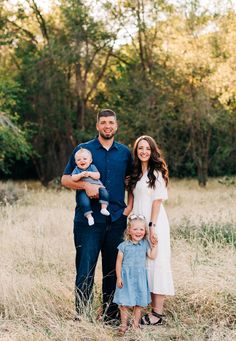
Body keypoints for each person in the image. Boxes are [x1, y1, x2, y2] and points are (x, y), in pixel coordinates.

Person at [61, 109, 133, 322]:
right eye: (103, 122)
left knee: (112, 270)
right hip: (88, 221)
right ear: (97, 125)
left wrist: (129, 208)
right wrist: (84, 185)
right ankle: (82, 316)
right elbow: (65, 179)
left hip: (117, 219)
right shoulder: (83, 149)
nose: (107, 126)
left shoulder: (125, 153)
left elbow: (132, 181)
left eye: (111, 122)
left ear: (116, 126)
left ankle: (111, 316)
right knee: (85, 268)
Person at [128, 135, 174, 325]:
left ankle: (157, 314)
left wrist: (152, 226)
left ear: (153, 150)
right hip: (138, 224)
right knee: (143, 264)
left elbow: (157, 201)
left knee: (157, 263)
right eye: (140, 148)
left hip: (154, 223)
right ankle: (144, 310)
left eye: (147, 148)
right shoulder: (136, 174)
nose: (144, 151)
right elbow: (132, 201)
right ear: (136, 151)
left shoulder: (156, 173)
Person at [113, 214, 158, 335]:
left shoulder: (145, 245)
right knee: (123, 304)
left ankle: (135, 324)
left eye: (141, 229)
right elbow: (118, 263)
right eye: (135, 229)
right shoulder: (123, 246)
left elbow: (152, 256)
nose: (139, 232)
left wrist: (155, 245)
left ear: (145, 231)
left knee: (138, 304)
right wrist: (119, 277)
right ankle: (123, 325)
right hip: (126, 279)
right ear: (129, 231)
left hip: (139, 279)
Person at [72, 148, 110, 226]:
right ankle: (89, 217)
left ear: (90, 160)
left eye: (85, 159)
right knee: (83, 201)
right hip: (83, 190)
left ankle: (103, 208)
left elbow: (98, 176)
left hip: (97, 185)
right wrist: (80, 175)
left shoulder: (92, 167)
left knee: (105, 193)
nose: (82, 161)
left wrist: (89, 173)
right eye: (78, 160)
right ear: (76, 162)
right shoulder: (77, 170)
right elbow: (73, 178)